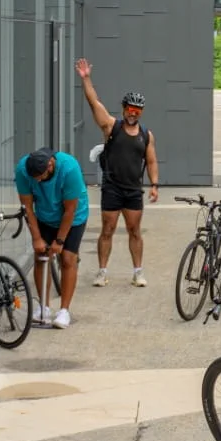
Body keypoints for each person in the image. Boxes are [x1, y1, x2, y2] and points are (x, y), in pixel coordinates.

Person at [75, 57, 159, 288]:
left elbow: (151, 161)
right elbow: (94, 103)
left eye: (137, 110)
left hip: (133, 189)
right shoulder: (112, 126)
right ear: (124, 109)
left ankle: (138, 272)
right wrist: (86, 79)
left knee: (134, 231)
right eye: (130, 109)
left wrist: (154, 184)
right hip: (112, 187)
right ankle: (102, 272)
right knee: (107, 230)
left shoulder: (146, 135)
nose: (133, 113)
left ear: (141, 112)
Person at [16, 148, 90, 329]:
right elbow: (27, 207)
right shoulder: (22, 170)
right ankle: (43, 307)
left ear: (50, 165)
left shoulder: (69, 168)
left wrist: (59, 241)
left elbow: (70, 210)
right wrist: (36, 238)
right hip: (45, 215)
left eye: (40, 177)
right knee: (41, 257)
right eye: (34, 178)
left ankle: (64, 310)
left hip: (73, 217)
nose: (37, 181)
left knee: (67, 259)